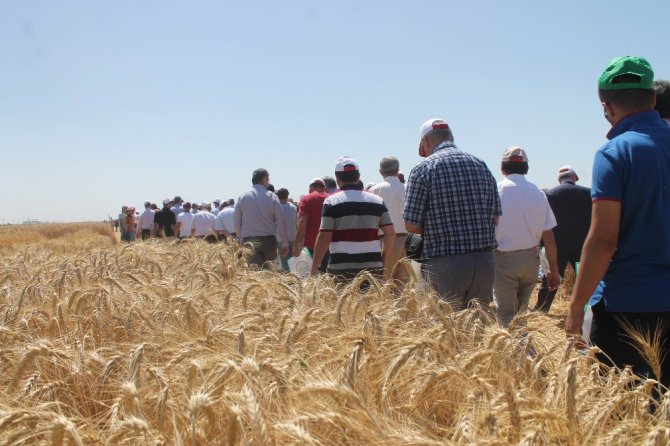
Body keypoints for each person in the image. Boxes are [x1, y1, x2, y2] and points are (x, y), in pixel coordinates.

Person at [565, 56, 670, 387]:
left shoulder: (615, 153)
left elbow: (603, 240)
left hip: (629, 306)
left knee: (625, 409)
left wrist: (576, 305)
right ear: (652, 99)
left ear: (606, 106)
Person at [404, 118, 501, 310]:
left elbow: (411, 225)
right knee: (478, 327)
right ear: (451, 137)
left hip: (445, 262)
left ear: (425, 142)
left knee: (447, 330)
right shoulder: (480, 164)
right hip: (484, 261)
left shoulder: (422, 169)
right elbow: (495, 216)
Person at [493, 147, 560, 327]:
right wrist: (553, 269)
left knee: (506, 314)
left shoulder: (496, 191)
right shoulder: (538, 193)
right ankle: (523, 350)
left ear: (502, 168)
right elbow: (549, 236)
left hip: (503, 259)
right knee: (521, 314)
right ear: (526, 168)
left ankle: (515, 353)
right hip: (531, 259)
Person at [311, 157, 395, 281]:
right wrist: (384, 259)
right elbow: (390, 233)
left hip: (341, 267)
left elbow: (324, 236)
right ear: (358, 177)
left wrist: (313, 269)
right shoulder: (377, 201)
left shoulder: (331, 201)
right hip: (372, 267)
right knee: (371, 301)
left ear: (337, 178)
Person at [534, 165, 592, 312]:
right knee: (586, 280)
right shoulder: (589, 193)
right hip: (583, 244)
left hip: (557, 245)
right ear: (575, 178)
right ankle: (589, 312)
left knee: (551, 279)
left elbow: (543, 222)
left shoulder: (549, 194)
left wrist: (540, 244)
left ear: (559, 180)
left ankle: (542, 310)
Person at [234, 168, 289, 268]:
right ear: (264, 179)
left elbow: (236, 220)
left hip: (249, 241)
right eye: (268, 180)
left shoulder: (242, 196)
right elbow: (280, 221)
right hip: (269, 241)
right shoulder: (272, 196)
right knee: (268, 272)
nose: (268, 182)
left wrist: (240, 236)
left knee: (254, 273)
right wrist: (284, 242)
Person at [369, 156, 408, 283]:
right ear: (398, 170)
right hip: (409, 242)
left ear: (380, 172)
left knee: (384, 282)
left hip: (385, 240)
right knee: (405, 286)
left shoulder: (374, 190)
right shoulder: (408, 188)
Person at [294, 178, 329, 271]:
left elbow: (302, 222)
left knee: (308, 275)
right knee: (327, 275)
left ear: (311, 188)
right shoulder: (330, 198)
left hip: (310, 244)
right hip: (328, 245)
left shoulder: (307, 199)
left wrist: (297, 244)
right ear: (323, 187)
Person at [276, 188, 297, 272]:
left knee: (284, 261)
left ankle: (287, 279)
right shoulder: (293, 207)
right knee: (293, 260)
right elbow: (296, 222)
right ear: (287, 196)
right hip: (292, 236)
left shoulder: (276, 208)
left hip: (281, 238)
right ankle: (294, 277)